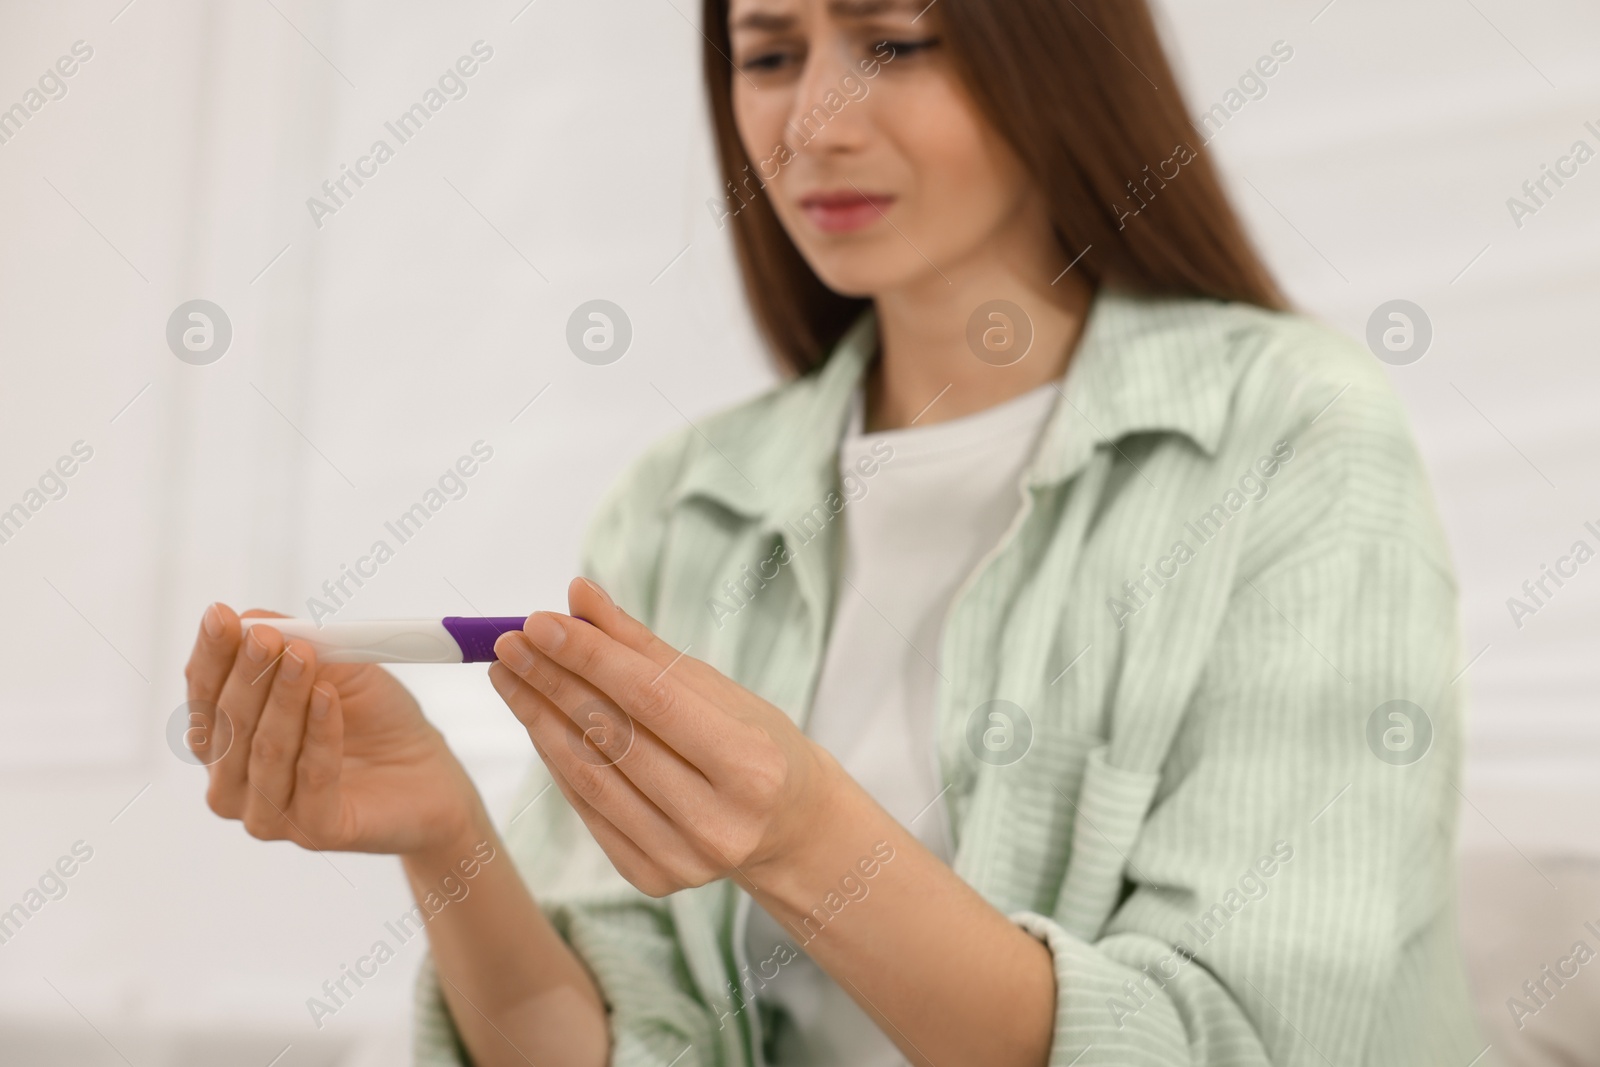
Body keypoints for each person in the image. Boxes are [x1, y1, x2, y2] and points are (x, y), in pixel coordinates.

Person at [182, 0, 1485, 1063]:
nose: (810, 123)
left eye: (896, 42)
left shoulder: (1296, 441)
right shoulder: (685, 501)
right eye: (766, 55)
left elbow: (1252, 1043)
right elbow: (626, 1043)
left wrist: (808, 838)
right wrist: (445, 836)